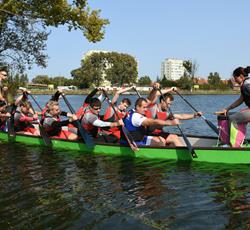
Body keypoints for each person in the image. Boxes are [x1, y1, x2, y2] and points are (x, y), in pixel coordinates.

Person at [222, 66, 250, 147]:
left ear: (241, 76)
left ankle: (234, 145)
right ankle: (240, 141)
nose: (234, 80)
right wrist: (227, 109)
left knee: (232, 118)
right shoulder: (246, 83)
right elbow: (241, 100)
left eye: (235, 78)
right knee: (235, 116)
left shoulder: (246, 85)